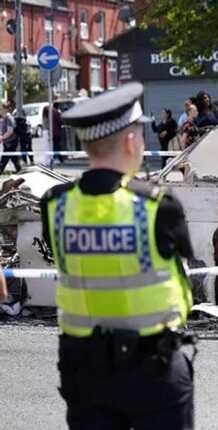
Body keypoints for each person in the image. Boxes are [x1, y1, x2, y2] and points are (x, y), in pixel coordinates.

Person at [40, 83, 196, 430]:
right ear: (130, 141)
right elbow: (185, 275)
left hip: (84, 369)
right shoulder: (156, 205)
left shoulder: (55, 204)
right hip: (153, 370)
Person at [0, 102, 21, 175]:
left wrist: (2, 137)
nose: (0, 110)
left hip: (11, 142)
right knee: (13, 158)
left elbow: (10, 131)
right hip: (7, 142)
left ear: (5, 109)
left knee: (5, 158)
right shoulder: (4, 118)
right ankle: (20, 171)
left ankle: (1, 170)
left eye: (1, 109)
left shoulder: (9, 118)